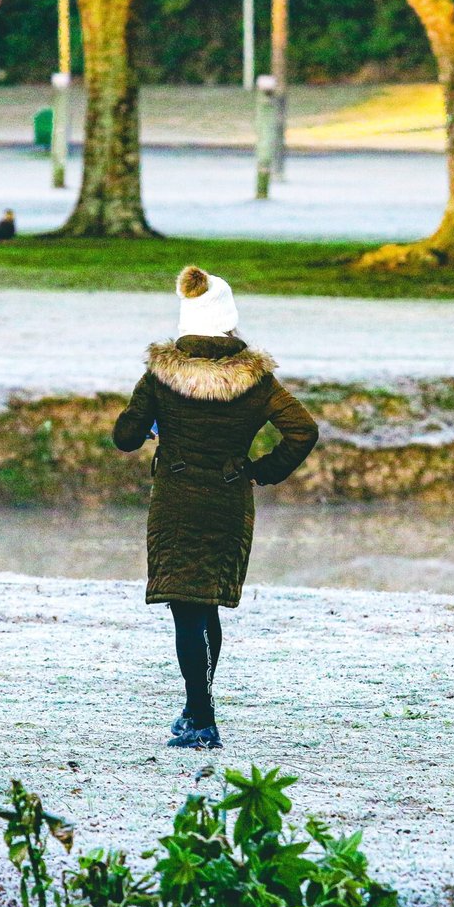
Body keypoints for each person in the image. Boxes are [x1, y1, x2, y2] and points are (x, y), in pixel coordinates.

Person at [113, 266, 318, 750]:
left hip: (177, 500)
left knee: (187, 608)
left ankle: (202, 721)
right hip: (228, 498)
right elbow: (303, 431)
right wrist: (262, 470)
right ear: (229, 322)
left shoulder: (161, 376)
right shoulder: (257, 380)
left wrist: (151, 424)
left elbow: (124, 438)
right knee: (207, 607)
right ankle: (195, 707)